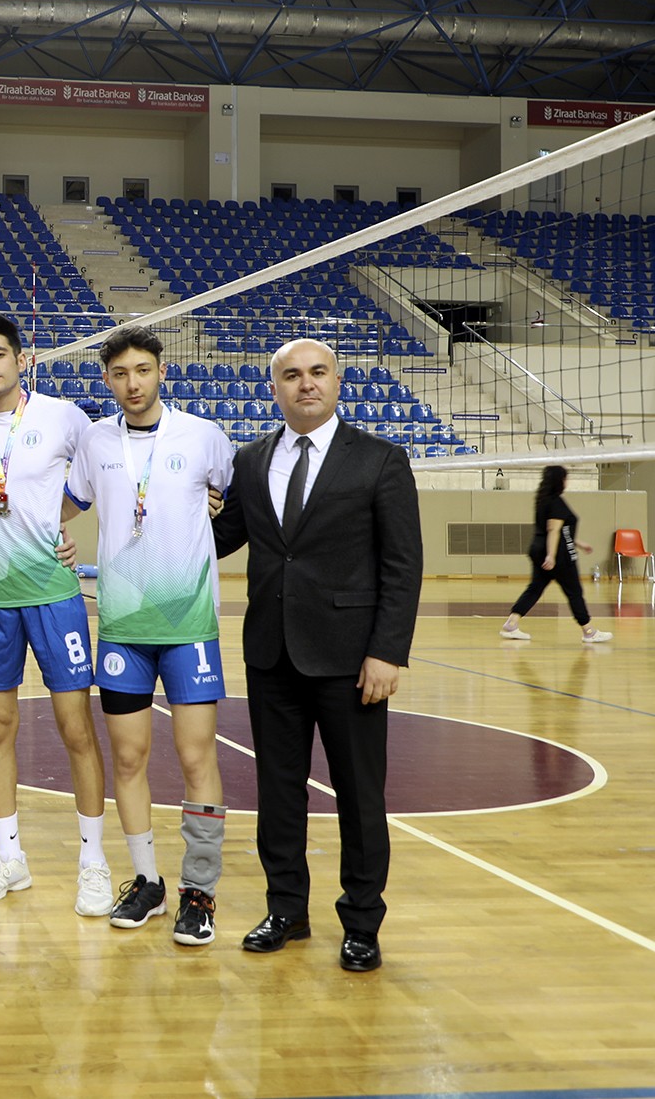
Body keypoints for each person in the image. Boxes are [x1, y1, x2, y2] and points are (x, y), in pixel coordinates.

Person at [212, 338, 423, 973]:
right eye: (291, 375)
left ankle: (361, 921)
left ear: (338, 381)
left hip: (351, 658)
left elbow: (402, 565)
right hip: (271, 655)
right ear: (274, 388)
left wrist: (386, 653)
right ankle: (287, 909)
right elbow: (217, 539)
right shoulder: (251, 461)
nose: (306, 384)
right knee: (278, 792)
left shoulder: (381, 460)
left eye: (317, 372)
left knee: (360, 795)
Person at [62, 325, 233, 945]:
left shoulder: (202, 436)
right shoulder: (96, 441)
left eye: (141, 370)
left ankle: (200, 889)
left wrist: (217, 510)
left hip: (189, 625)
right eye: (119, 374)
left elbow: (232, 500)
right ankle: (148, 881)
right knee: (129, 758)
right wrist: (49, 536)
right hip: (123, 629)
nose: (131, 383)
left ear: (161, 371)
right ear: (107, 381)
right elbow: (65, 505)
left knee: (195, 756)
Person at [0, 313, 113, 911]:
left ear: (24, 360)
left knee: (76, 728)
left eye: (0, 353)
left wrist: (63, 521)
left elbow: (109, 466)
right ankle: (9, 856)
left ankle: (93, 861)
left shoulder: (63, 416)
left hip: (52, 594)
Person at [500, 465, 610, 643]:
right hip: (559, 555)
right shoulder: (556, 501)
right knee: (574, 591)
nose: (567, 481)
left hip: (538, 548)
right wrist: (551, 556)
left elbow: (558, 530)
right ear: (560, 480)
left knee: (535, 588)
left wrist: (579, 543)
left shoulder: (542, 500)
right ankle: (589, 631)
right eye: (566, 478)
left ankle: (512, 623)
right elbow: (553, 530)